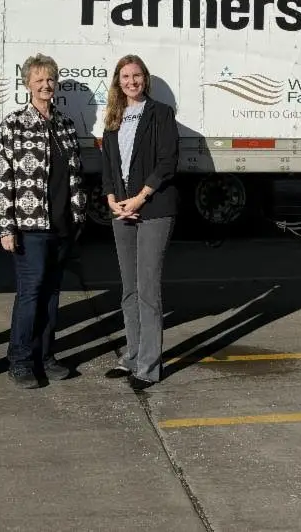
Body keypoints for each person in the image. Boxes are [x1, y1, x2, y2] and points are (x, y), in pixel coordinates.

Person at [0, 53, 87, 389]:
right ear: (27, 85)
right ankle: (20, 361)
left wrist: (79, 216)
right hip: (30, 227)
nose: (46, 85)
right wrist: (6, 225)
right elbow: (3, 178)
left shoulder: (65, 125)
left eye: (50, 79)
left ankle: (46, 357)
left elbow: (75, 175)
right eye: (39, 80)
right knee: (31, 293)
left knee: (51, 294)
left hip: (63, 226)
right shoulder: (14, 124)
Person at [99, 54, 179, 390]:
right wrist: (112, 200)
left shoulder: (160, 114)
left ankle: (148, 366)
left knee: (147, 290)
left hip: (154, 208)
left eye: (137, 75)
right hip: (122, 210)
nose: (131, 81)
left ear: (144, 78)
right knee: (129, 290)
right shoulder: (114, 119)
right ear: (118, 82)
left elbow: (166, 161)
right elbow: (108, 168)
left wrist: (139, 198)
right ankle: (131, 356)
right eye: (125, 76)